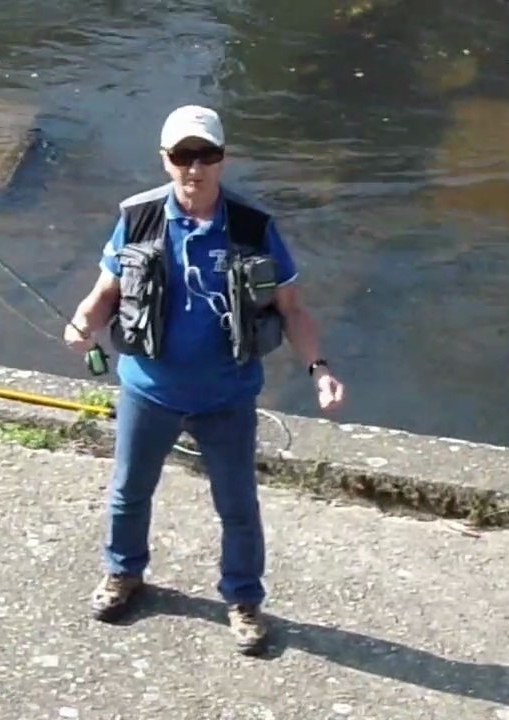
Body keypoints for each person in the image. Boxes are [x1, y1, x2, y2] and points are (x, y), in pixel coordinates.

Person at [63, 103, 345, 656]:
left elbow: (292, 308)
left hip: (227, 396)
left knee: (238, 505)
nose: (194, 168)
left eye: (206, 156)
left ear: (223, 159)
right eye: (183, 156)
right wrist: (82, 323)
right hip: (148, 390)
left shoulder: (254, 227)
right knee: (128, 492)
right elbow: (104, 294)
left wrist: (320, 369)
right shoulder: (138, 218)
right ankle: (123, 573)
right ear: (165, 159)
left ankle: (243, 600)